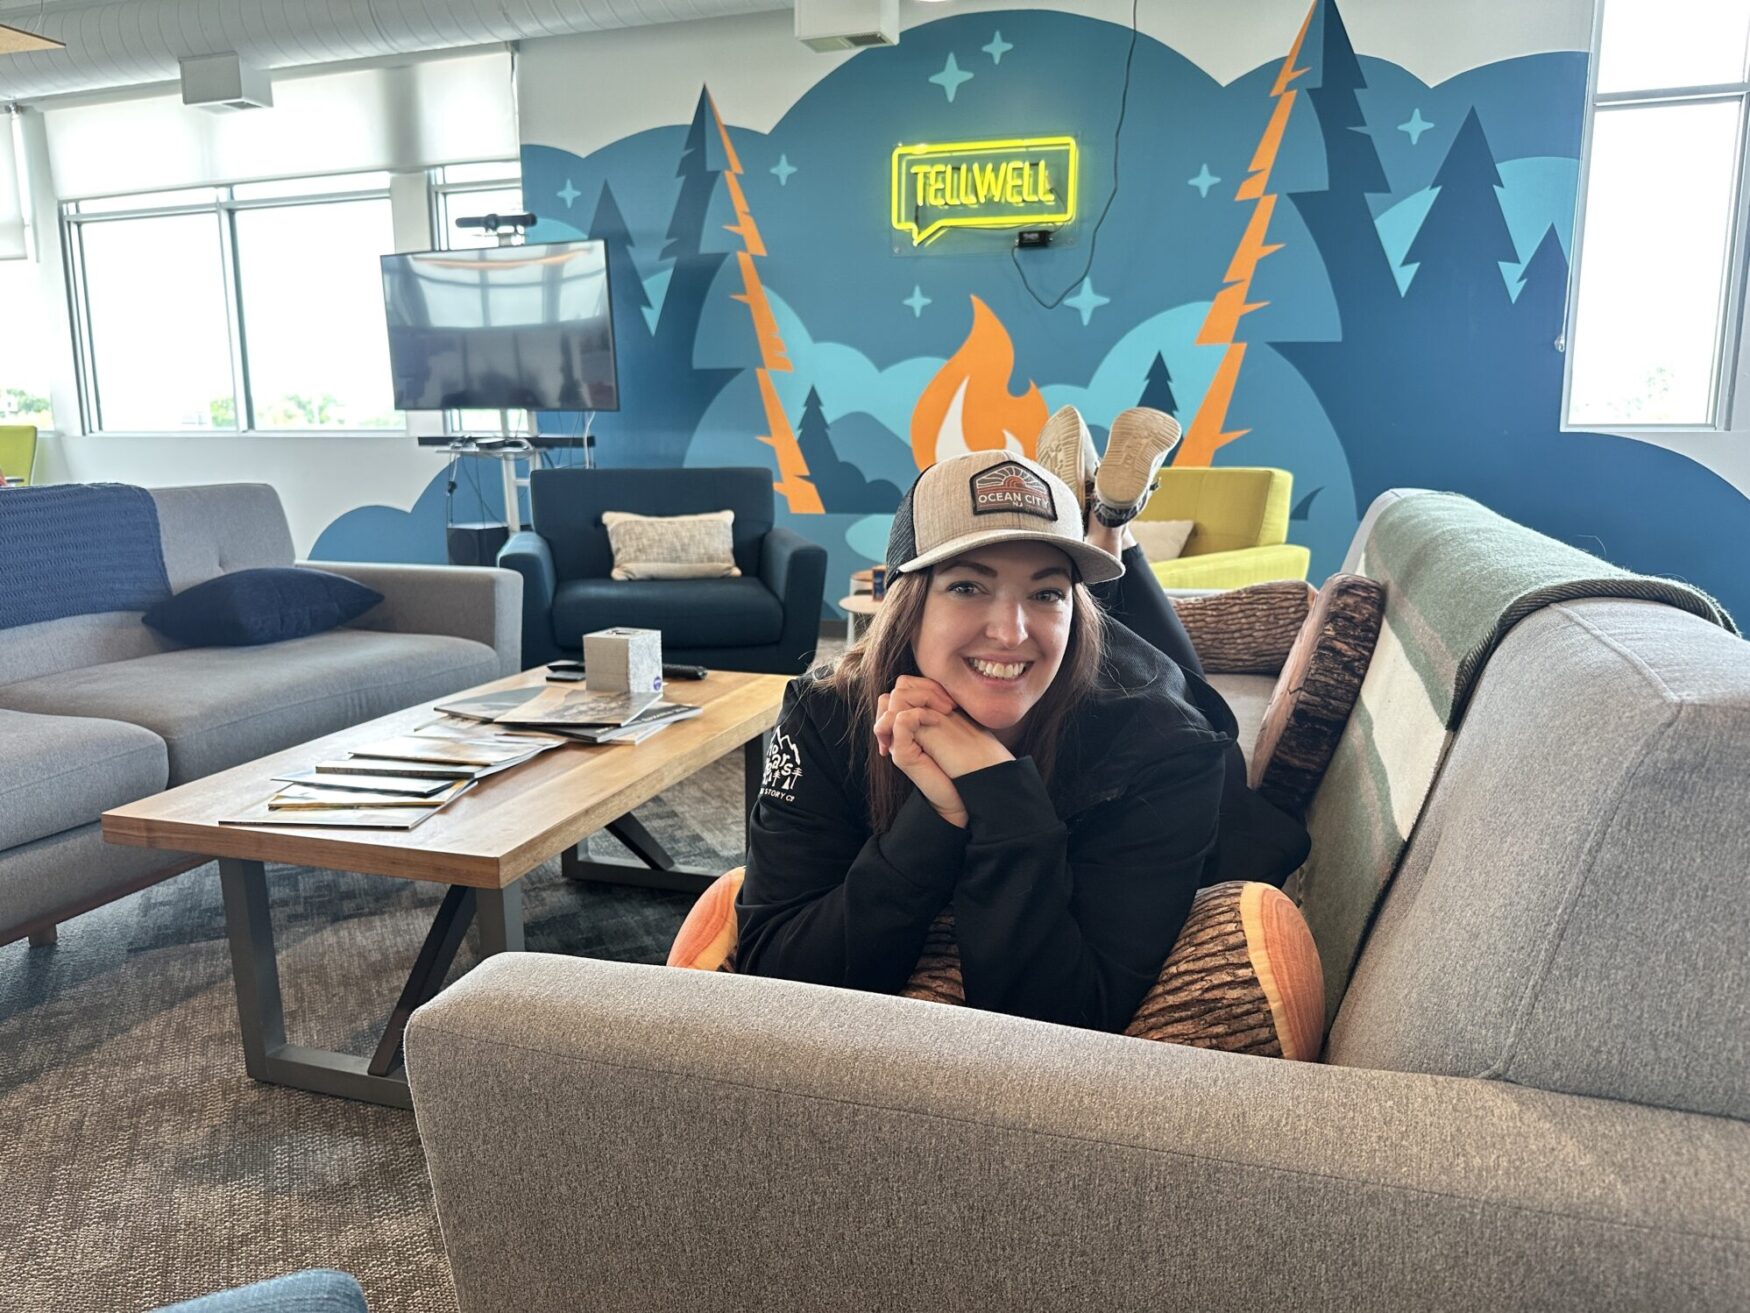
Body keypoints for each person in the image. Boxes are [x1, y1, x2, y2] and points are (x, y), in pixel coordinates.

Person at [735, 409, 1309, 1033]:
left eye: (1046, 592)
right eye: (967, 586)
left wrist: (998, 793)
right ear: (907, 602)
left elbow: (1063, 1020)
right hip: (1083, 663)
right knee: (1090, 637)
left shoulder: (1164, 746)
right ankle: (1106, 525)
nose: (1010, 633)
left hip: (1159, 719)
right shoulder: (827, 713)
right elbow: (773, 976)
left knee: (1171, 676)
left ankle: (1107, 530)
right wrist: (936, 819)